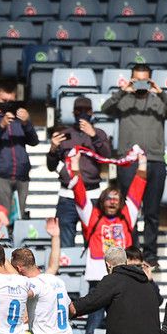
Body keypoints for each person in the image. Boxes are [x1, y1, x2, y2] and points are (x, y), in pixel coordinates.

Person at [100, 63, 167, 269]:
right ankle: (132, 254)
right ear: (132, 79)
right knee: (129, 211)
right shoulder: (123, 100)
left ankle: (150, 255)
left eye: (145, 80)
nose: (141, 84)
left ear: (150, 80)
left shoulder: (158, 101)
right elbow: (105, 108)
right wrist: (123, 90)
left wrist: (161, 92)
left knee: (152, 212)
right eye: (137, 79)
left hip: (155, 161)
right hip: (129, 162)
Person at [68, 148, 146, 334]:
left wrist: (143, 163)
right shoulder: (92, 216)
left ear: (121, 203)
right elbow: (79, 193)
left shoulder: (127, 215)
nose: (112, 203)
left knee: (122, 314)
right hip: (98, 274)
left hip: (124, 275)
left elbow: (138, 188)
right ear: (102, 201)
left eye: (116, 200)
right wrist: (75, 165)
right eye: (108, 199)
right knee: (95, 314)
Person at [45, 97, 112, 247]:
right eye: (78, 110)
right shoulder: (64, 134)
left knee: (94, 241)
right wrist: (53, 149)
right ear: (73, 113)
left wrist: (93, 135)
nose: (82, 113)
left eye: (86, 110)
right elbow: (51, 166)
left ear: (92, 112)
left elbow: (106, 156)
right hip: (68, 195)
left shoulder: (99, 133)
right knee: (65, 242)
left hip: (91, 194)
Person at [0, 80, 39, 218]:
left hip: (21, 175)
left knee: (19, 217)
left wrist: (26, 123)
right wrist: (1, 125)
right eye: (3, 100)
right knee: (1, 218)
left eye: (11, 101)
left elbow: (34, 141)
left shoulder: (20, 118)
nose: (7, 103)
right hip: (0, 176)